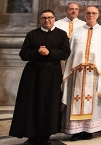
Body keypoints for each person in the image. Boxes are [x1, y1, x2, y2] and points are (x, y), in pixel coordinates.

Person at [10, 10, 70, 144]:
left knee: (49, 104)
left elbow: (65, 53)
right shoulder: (32, 34)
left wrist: (49, 52)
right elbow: (23, 54)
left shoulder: (61, 34)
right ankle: (31, 135)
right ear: (40, 20)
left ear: (54, 19)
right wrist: (38, 52)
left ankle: (45, 136)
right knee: (31, 104)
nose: (47, 20)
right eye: (44, 18)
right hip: (33, 74)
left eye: (50, 17)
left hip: (52, 74)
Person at [61, 7, 101, 140]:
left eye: (94, 13)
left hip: (95, 73)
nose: (91, 15)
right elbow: (71, 52)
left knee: (93, 101)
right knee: (75, 101)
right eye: (88, 13)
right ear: (84, 15)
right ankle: (75, 131)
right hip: (77, 73)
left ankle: (89, 130)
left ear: (98, 15)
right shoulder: (77, 32)